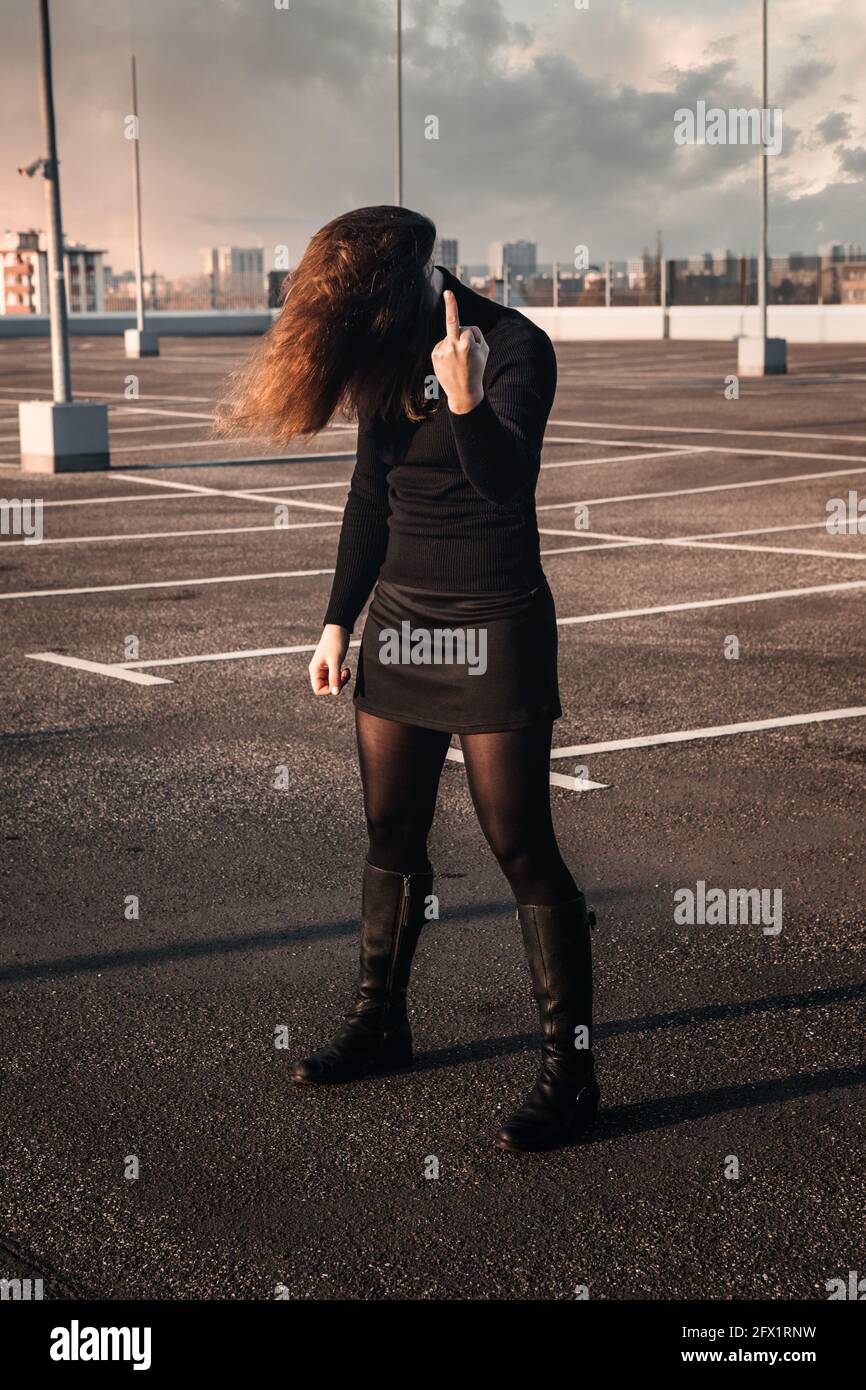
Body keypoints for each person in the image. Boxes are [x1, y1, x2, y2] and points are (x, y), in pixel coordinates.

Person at [218, 205, 597, 1152]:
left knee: (520, 844)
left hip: (495, 621)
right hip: (402, 623)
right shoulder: (386, 359)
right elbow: (368, 495)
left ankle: (571, 1073)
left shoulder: (514, 348)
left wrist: (464, 403)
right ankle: (382, 1023)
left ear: (423, 286)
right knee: (391, 828)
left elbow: (507, 483)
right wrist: (337, 620)